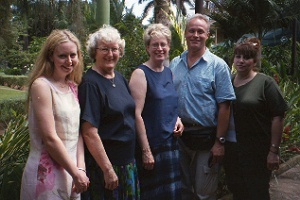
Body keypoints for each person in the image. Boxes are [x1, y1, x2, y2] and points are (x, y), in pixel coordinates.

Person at [169, 13, 236, 200]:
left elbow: (225, 106)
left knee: (204, 193)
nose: (195, 35)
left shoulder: (217, 66)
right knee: (181, 190)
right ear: (185, 33)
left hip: (206, 139)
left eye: (200, 31)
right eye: (192, 31)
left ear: (208, 35)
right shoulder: (175, 63)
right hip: (179, 139)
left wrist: (219, 142)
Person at [20, 29, 90, 200]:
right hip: (45, 176)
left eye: (73, 55)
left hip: (71, 175)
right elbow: (50, 138)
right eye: (62, 56)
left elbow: (77, 133)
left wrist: (80, 169)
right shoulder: (42, 86)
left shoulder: (72, 86)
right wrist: (75, 172)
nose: (69, 61)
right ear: (51, 56)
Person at [78, 25, 140, 200]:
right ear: (94, 52)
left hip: (127, 163)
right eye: (104, 49)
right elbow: (89, 132)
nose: (110, 54)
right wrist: (107, 169)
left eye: (115, 49)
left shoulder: (119, 78)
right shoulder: (90, 84)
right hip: (106, 168)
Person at [223, 37, 288, 200]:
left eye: (247, 57)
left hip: (256, 151)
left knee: (257, 191)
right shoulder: (228, 81)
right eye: (238, 56)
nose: (241, 61)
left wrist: (273, 151)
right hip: (231, 149)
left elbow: (278, 116)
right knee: (237, 190)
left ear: (254, 61)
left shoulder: (265, 83)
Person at [129, 23, 184, 200]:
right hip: (152, 146)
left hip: (171, 145)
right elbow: (136, 114)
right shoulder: (140, 74)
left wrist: (178, 119)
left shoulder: (169, 73)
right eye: (155, 45)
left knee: (171, 194)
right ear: (147, 47)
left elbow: (168, 104)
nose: (159, 48)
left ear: (168, 47)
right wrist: (145, 151)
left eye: (163, 44)